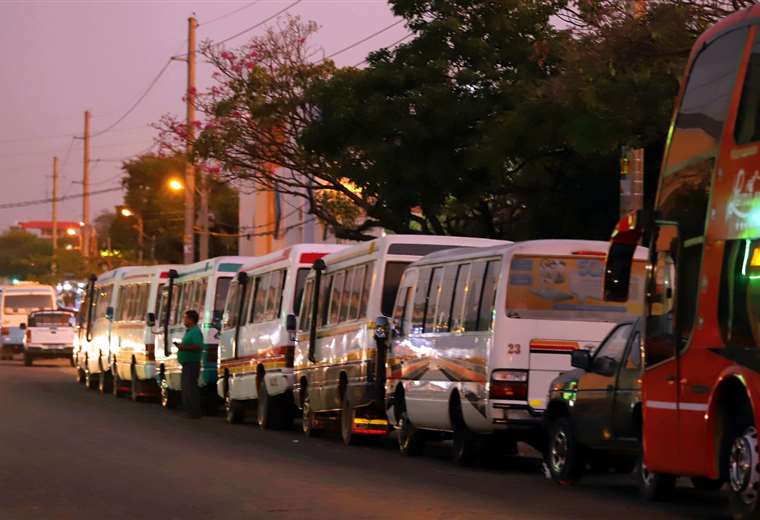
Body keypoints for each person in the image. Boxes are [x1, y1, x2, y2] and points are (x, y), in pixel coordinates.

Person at [179, 309, 203, 419]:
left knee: (191, 387)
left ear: (191, 319)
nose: (184, 320)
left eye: (185, 318)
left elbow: (198, 346)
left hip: (192, 363)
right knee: (186, 387)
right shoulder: (189, 331)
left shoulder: (195, 332)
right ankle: (189, 411)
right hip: (186, 364)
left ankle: (194, 412)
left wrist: (184, 347)